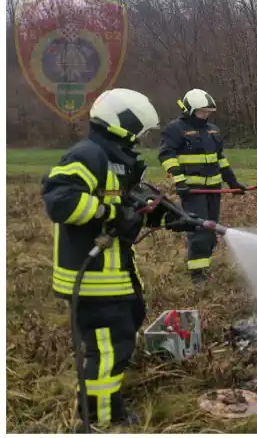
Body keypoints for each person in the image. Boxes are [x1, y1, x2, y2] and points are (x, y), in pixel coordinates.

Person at [42, 88, 196, 429]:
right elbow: (60, 200)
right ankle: (101, 421)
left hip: (114, 276)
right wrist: (110, 212)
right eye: (140, 131)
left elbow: (135, 205)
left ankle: (108, 405)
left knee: (121, 339)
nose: (142, 139)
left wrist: (170, 217)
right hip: (92, 277)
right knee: (107, 351)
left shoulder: (118, 160)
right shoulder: (88, 155)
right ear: (123, 123)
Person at [158, 89, 245, 283]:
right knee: (200, 230)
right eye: (201, 112)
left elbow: (219, 159)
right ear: (189, 110)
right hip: (192, 190)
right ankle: (197, 276)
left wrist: (232, 182)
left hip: (213, 189)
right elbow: (166, 156)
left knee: (212, 231)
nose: (205, 115)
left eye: (208, 112)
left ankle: (203, 268)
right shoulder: (175, 129)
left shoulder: (212, 130)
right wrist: (179, 182)